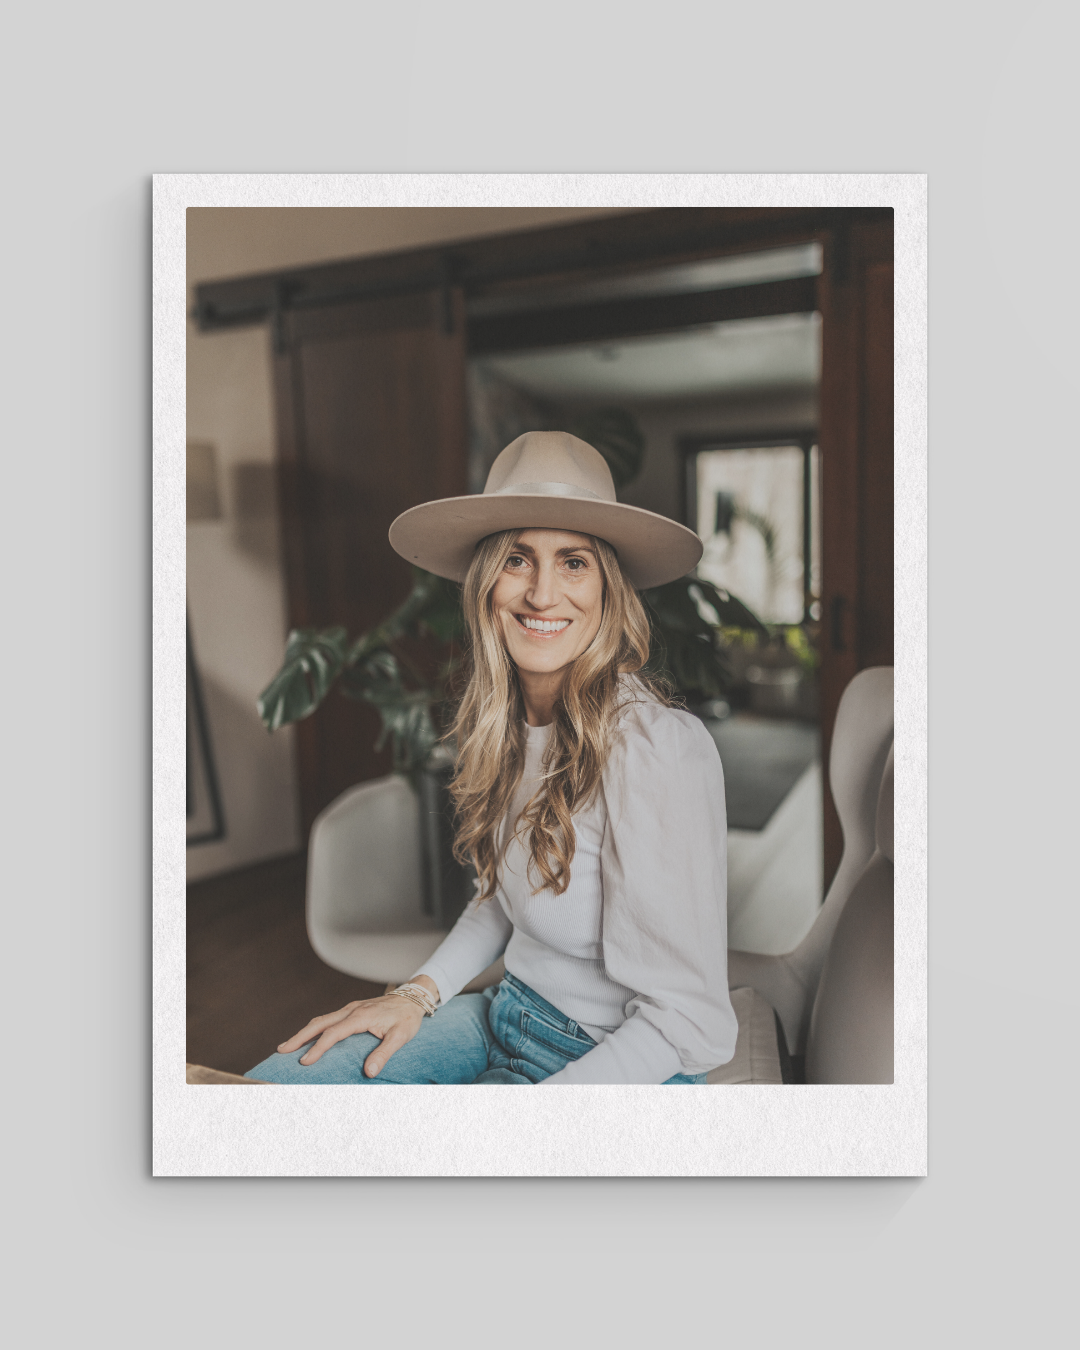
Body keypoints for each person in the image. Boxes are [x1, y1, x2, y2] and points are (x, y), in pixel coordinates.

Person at [247, 431, 738, 1085]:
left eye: (573, 562)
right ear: (485, 584)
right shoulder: (505, 724)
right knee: (276, 1091)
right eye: (515, 559)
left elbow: (687, 1021)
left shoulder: (656, 751)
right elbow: (503, 899)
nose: (540, 594)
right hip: (505, 1014)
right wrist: (415, 994)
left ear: (608, 589)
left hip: (618, 1065)